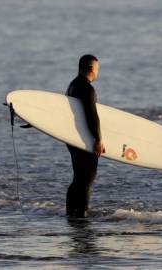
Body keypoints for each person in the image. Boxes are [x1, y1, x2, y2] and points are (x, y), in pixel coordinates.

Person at [65, 54, 105, 218]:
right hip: (84, 138)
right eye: (97, 69)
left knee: (78, 177)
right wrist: (98, 139)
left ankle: (71, 213)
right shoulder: (87, 88)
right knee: (87, 177)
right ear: (91, 68)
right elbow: (91, 114)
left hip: (73, 137)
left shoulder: (73, 85)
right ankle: (81, 214)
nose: (97, 73)